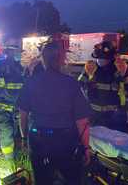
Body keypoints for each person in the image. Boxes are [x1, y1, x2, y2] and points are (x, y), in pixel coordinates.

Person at [18, 39, 91, 185]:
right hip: (66, 142)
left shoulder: (31, 82)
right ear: (61, 60)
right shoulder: (72, 84)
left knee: (43, 180)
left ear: (43, 59)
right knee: (71, 179)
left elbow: (23, 114)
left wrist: (24, 138)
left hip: (38, 140)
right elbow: (82, 121)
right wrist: (86, 148)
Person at [78, 41, 128, 132]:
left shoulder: (121, 67)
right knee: (95, 140)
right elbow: (78, 85)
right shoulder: (90, 67)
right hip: (94, 113)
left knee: (116, 141)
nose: (101, 60)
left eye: (104, 58)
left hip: (116, 113)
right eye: (98, 58)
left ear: (112, 57)